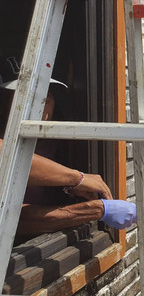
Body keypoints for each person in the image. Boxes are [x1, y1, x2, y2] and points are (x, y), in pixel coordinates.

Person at [0, 55, 136, 236]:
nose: (39, 104)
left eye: (46, 95)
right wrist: (86, 195)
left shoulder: (55, 141)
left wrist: (69, 186)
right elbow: (12, 219)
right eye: (24, 95)